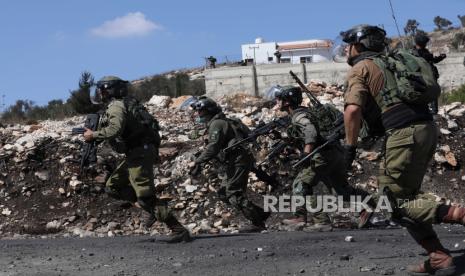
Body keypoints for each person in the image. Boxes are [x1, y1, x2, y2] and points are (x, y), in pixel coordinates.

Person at [341, 24, 464, 275]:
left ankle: (459, 214)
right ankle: (438, 257)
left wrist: (349, 148)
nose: (345, 49)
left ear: (359, 45)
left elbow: (352, 110)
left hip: (404, 134)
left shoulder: (361, 68)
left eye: (348, 44)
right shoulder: (395, 63)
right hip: (426, 129)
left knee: (395, 203)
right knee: (406, 198)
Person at [84, 76, 191, 243]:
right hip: (137, 153)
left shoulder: (116, 107)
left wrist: (93, 135)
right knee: (113, 186)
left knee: (145, 197)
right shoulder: (124, 104)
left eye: (101, 90)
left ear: (107, 91)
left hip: (139, 153)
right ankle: (151, 209)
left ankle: (178, 230)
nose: (100, 94)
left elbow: (114, 130)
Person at [275, 86, 371, 232]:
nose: (277, 102)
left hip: (322, 156)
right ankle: (369, 204)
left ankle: (319, 221)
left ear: (287, 102)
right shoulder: (306, 112)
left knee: (301, 185)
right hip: (335, 153)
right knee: (340, 190)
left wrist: (306, 153)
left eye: (280, 99)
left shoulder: (299, 116)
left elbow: (310, 131)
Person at [189, 96, 269, 233]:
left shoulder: (217, 124)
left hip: (237, 160)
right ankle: (261, 213)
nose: (197, 114)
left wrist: (197, 161)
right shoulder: (220, 122)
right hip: (235, 160)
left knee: (233, 192)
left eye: (200, 111)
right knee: (223, 193)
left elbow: (213, 147)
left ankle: (257, 223)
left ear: (208, 111)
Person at [412, 33, 447, 114]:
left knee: (432, 92)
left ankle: (433, 110)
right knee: (430, 92)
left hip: (429, 75)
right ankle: (431, 110)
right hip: (424, 76)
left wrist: (441, 57)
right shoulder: (417, 53)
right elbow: (429, 58)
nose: (425, 44)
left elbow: (433, 60)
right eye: (424, 43)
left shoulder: (423, 51)